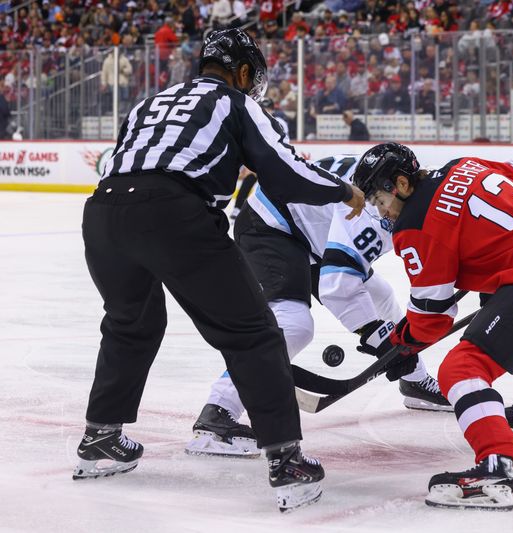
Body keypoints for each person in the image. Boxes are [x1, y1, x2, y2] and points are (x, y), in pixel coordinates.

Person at [73, 28, 365, 513]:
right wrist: (343, 190)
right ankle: (287, 461)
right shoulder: (236, 102)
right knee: (253, 333)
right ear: (244, 72)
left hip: (103, 213)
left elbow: (122, 161)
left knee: (131, 325)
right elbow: (285, 171)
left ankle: (100, 437)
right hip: (173, 213)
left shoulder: (151, 102)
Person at [351, 143, 513, 510]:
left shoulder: (415, 227)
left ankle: (495, 468)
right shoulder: (464, 165)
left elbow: (432, 318)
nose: (382, 212)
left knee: (461, 369)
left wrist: (400, 344)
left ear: (402, 184)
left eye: (380, 200)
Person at [186, 154, 452, 458]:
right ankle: (216, 413)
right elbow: (339, 285)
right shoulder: (372, 213)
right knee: (294, 324)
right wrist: (378, 337)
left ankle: (414, 380)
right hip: (272, 223)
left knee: (380, 295)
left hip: (313, 232)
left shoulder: (397, 187)